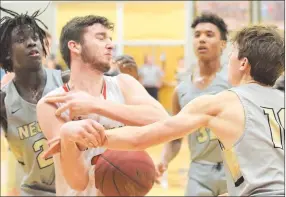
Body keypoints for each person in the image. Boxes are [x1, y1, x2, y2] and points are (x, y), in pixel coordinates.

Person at [46, 25, 284, 196]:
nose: (228, 59)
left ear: (243, 63)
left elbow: (142, 137)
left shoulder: (220, 102)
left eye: (232, 53)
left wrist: (82, 139)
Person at [36, 15, 169, 196]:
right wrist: (69, 139)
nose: (110, 45)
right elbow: (78, 182)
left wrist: (96, 105)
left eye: (110, 39)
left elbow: (162, 120)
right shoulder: (52, 103)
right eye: (100, 38)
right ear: (75, 46)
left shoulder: (124, 83)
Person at [0, 6, 71, 195]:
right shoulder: (4, 101)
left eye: (35, 38)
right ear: (7, 53)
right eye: (21, 40)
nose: (32, 43)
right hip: (34, 191)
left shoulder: (68, 81)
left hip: (76, 189)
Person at [157, 13, 230, 196]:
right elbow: (175, 137)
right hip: (199, 171)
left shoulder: (235, 83)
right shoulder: (181, 90)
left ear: (223, 44)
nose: (202, 39)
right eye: (197, 35)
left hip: (234, 169)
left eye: (209, 34)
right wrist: (164, 160)